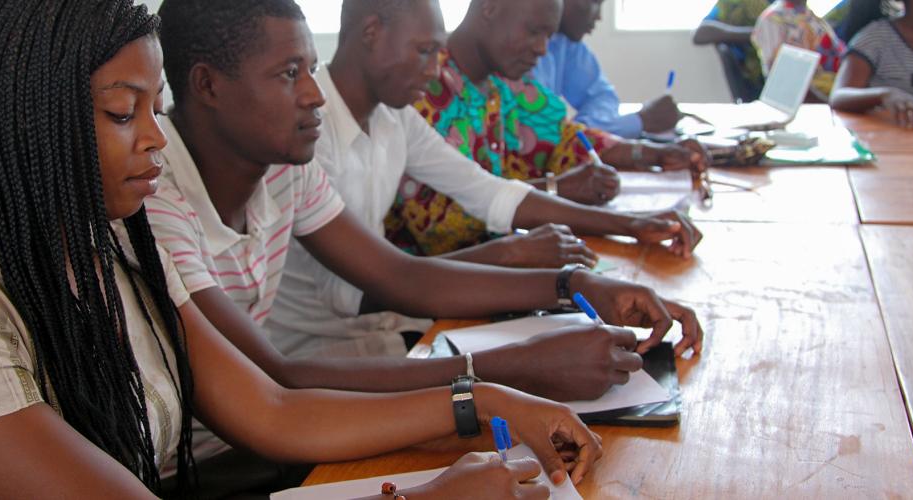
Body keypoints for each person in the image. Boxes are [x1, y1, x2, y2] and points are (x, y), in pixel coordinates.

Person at [0, 1, 605, 497]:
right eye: (125, 114)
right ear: (36, 121)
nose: (157, 138)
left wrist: (482, 403)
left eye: (154, 111)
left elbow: (275, 409)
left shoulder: (114, 243)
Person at [150, 0, 702, 383]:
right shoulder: (165, 199)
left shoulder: (290, 165)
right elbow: (279, 374)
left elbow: (407, 268)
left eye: (310, 69)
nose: (314, 95)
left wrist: (571, 283)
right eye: (291, 72)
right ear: (206, 85)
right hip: (305, 371)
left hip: (314, 372)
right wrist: (511, 361)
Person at [392, 0, 709, 259]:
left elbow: (564, 139)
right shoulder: (424, 90)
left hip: (494, 267)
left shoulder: (504, 82)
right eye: (534, 31)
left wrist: (649, 152)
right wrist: (557, 188)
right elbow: (445, 223)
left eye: (548, 34)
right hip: (423, 292)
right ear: (489, 7)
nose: (543, 49)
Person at [532, 0, 681, 138]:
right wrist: (639, 121)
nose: (599, 16)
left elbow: (602, 96)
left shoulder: (566, 43)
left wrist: (583, 132)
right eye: (594, 2)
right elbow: (541, 134)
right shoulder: (520, 52)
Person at [693, 0, 848, 101]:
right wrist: (755, 34)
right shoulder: (770, 17)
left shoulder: (807, 15)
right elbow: (702, 33)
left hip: (829, 89)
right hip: (776, 90)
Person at [751, 0, 847, 101]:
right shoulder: (772, 19)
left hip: (838, 88)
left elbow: (841, 56)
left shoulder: (810, 15)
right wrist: (828, 104)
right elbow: (782, 80)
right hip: (812, 99)